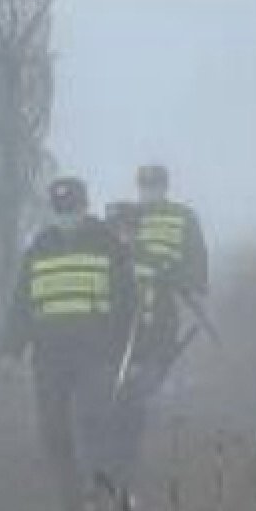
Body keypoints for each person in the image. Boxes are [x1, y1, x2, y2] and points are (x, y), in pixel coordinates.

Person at [1, 176, 139, 511]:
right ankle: (72, 504)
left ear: (84, 207)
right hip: (49, 356)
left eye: (72, 208)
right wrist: (10, 348)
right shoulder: (40, 248)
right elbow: (22, 304)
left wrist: (127, 351)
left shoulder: (107, 244)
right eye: (60, 209)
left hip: (96, 352)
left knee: (92, 420)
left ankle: (102, 492)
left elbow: (127, 302)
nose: (67, 214)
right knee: (53, 429)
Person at [107, 164, 210, 478]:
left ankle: (136, 452)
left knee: (146, 382)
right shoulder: (124, 216)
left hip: (161, 312)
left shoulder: (183, 217)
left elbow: (196, 260)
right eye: (145, 186)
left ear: (165, 187)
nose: (150, 192)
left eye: (155, 186)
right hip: (124, 319)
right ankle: (119, 458)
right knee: (120, 390)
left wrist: (184, 281)